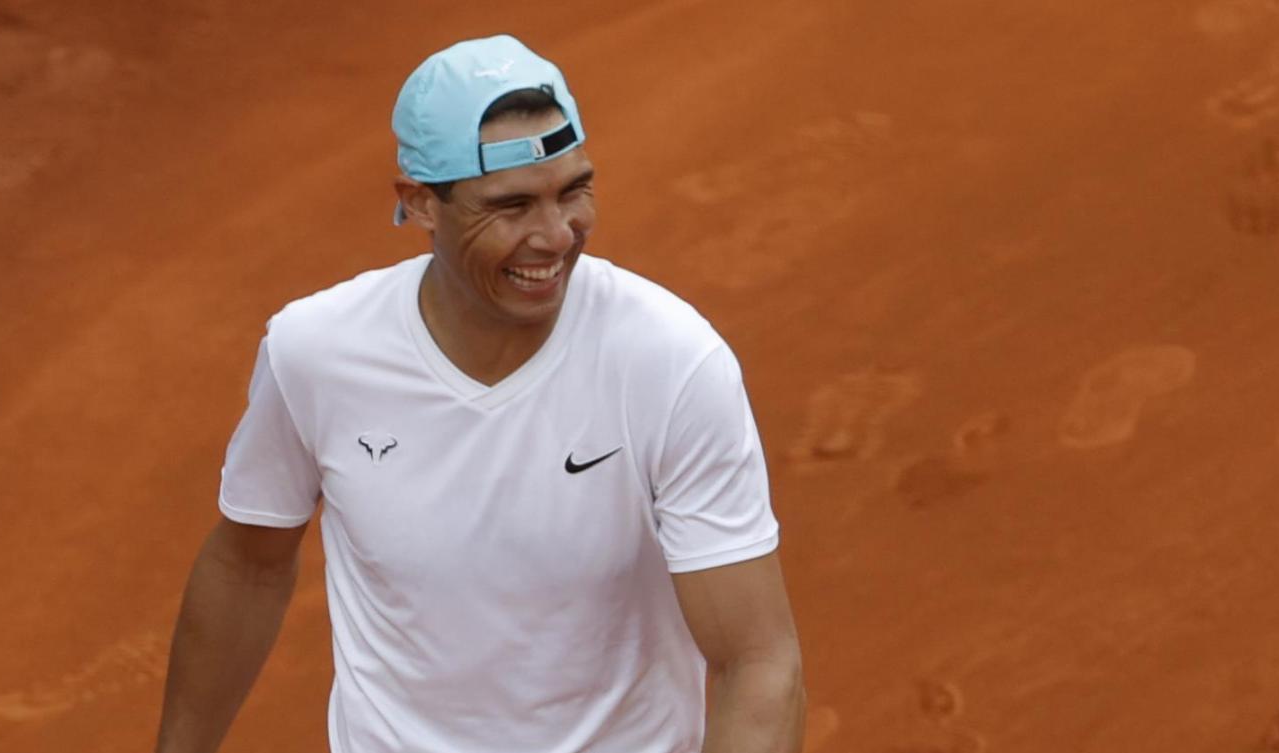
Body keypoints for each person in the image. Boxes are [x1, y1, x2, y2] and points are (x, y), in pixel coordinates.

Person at [154, 34, 804, 753]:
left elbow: (758, 661)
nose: (555, 236)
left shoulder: (671, 362)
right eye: (512, 205)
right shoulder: (315, 353)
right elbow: (249, 565)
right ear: (421, 204)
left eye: (573, 191)